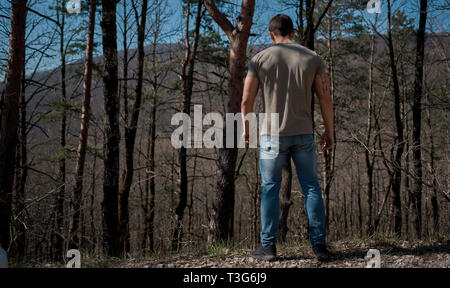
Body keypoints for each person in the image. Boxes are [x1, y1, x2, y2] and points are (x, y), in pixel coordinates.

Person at [241, 14, 334, 261]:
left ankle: (268, 248)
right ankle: (319, 246)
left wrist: (247, 128)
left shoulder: (259, 59)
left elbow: (245, 100)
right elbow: (325, 98)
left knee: (270, 189)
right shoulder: (313, 58)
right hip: (303, 133)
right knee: (312, 188)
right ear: (293, 32)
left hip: (271, 135)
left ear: (271, 35)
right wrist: (329, 130)